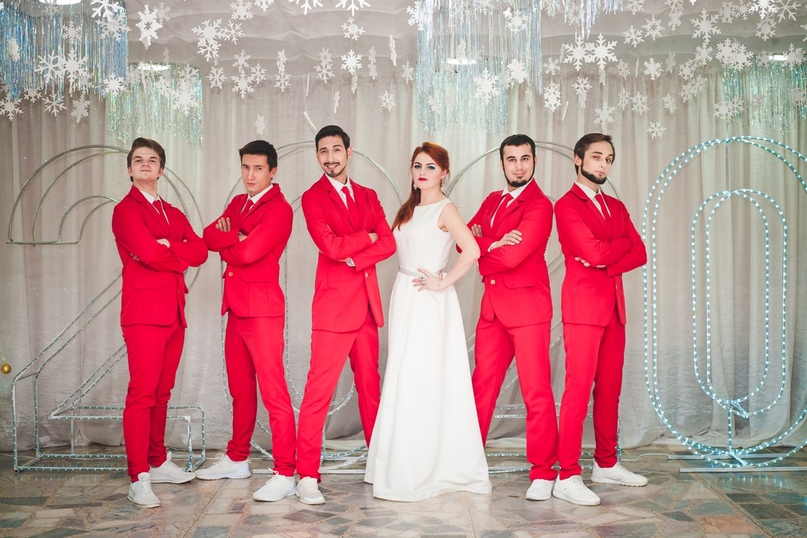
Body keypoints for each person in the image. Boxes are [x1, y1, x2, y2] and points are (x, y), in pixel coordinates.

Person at [365, 142, 491, 501]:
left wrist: (443, 281)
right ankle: (394, 463)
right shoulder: (408, 208)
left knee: (422, 377)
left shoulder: (446, 209)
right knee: (402, 374)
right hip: (404, 294)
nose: (423, 172)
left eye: (431, 167)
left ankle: (425, 467)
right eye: (418, 165)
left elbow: (473, 250)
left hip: (429, 301)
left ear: (444, 173)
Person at [296, 125, 396, 504]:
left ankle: (379, 466)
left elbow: (388, 242)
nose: (330, 157)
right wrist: (365, 240)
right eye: (323, 151)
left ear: (349, 152)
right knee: (317, 394)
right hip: (333, 310)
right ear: (317, 156)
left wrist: (357, 253)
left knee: (371, 390)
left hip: (366, 308)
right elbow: (330, 247)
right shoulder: (312, 197)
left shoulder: (368, 196)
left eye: (336, 150)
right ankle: (307, 474)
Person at [111, 137, 208, 508]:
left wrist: (170, 246)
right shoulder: (125, 210)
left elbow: (200, 250)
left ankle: (157, 460)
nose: (145, 164)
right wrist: (168, 251)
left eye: (152, 159)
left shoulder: (172, 212)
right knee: (142, 394)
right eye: (138, 160)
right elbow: (150, 253)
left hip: (174, 313)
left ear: (161, 169)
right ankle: (138, 476)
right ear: (130, 169)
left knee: (162, 393)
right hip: (143, 315)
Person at [198, 140, 296, 502]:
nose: (250, 175)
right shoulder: (238, 203)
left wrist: (238, 241)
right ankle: (238, 458)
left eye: (258, 168)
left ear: (272, 171)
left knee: (274, 393)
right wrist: (235, 237)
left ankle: (286, 471)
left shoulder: (280, 209)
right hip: (236, 309)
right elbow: (208, 237)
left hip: (263, 312)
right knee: (240, 390)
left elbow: (250, 252)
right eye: (245, 167)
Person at [553, 133, 648, 506]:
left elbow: (639, 251)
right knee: (577, 391)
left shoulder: (617, 207)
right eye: (596, 156)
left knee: (610, 390)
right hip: (583, 310)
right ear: (578, 160)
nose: (603, 164)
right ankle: (567, 475)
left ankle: (606, 464)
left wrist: (606, 258)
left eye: (608, 158)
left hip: (614, 311)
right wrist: (609, 252)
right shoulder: (566, 206)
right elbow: (591, 251)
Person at [466, 134, 558, 501]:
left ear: (534, 161)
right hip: (492, 309)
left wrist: (483, 248)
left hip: (528, 309)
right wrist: (492, 242)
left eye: (524, 158)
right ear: (502, 163)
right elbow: (463, 240)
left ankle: (543, 471)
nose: (518, 166)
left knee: (536, 391)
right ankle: (467, 462)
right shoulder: (492, 200)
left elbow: (512, 257)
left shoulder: (541, 205)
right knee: (481, 387)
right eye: (511, 159)